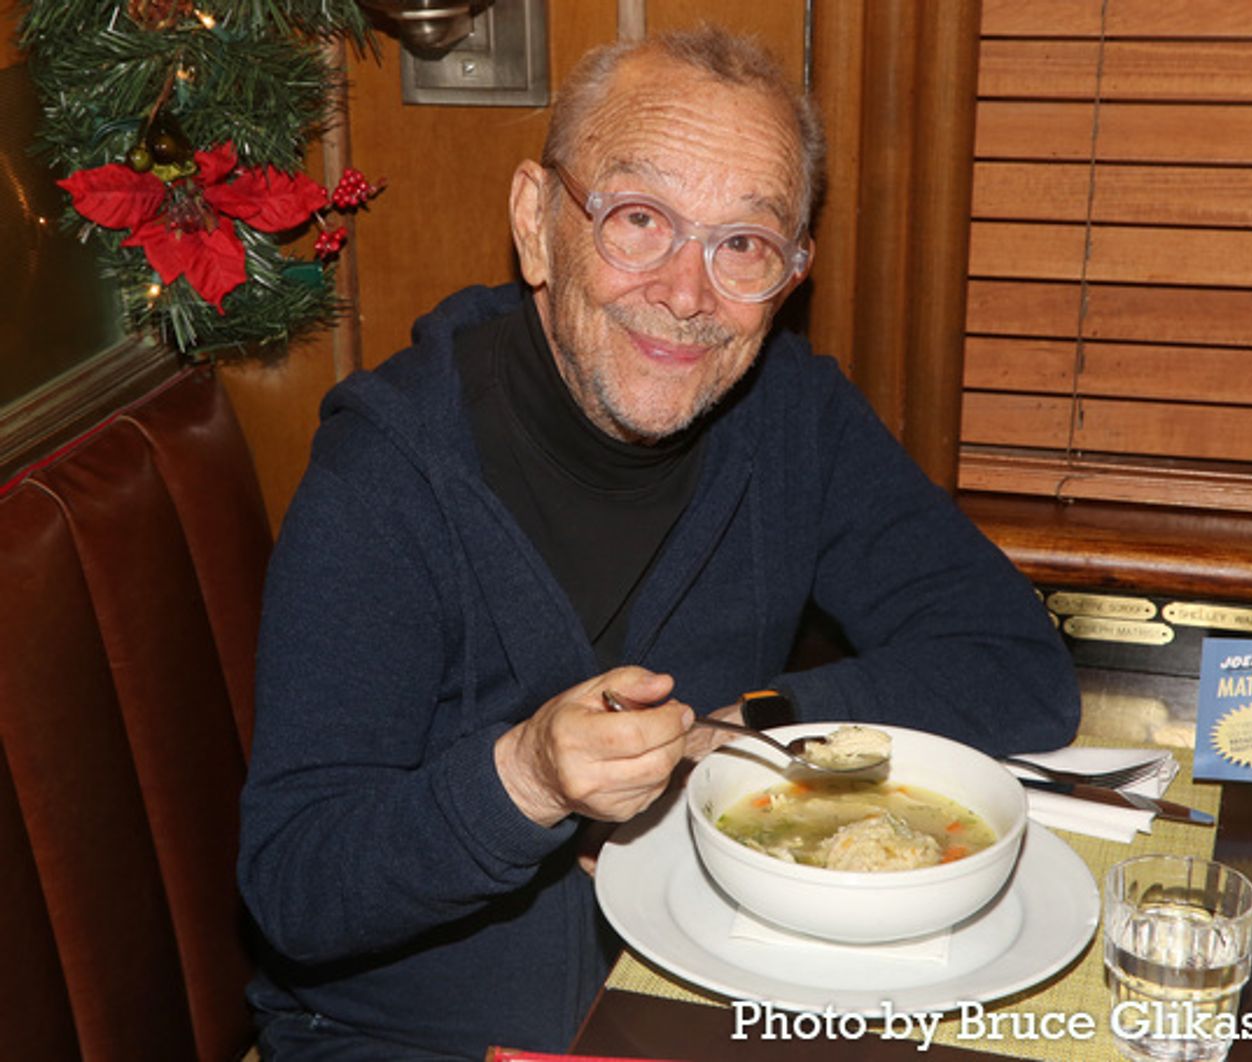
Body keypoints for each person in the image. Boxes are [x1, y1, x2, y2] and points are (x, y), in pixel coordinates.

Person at [237, 24, 1080, 1059]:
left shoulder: (793, 424)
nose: (686, 294)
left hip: (709, 1003)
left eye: (742, 245)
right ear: (537, 222)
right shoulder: (388, 471)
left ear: (792, 274)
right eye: (640, 220)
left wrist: (746, 729)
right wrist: (527, 778)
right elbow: (296, 888)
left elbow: (1014, 666)